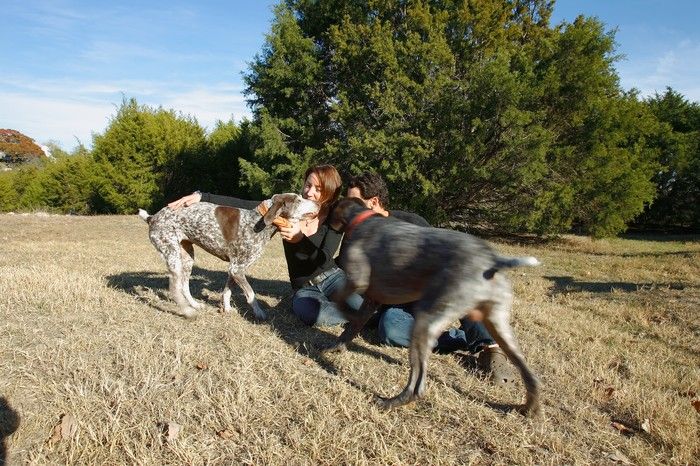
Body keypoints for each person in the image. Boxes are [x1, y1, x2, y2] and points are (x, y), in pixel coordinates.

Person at [346, 172, 516, 384]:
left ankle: (491, 350)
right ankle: (452, 340)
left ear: (373, 202)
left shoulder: (412, 222)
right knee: (389, 328)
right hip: (398, 304)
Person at [168, 164, 362, 327]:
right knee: (315, 315)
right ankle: (357, 318)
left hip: (332, 278)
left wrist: (299, 240)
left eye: (318, 189)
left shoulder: (335, 216)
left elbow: (324, 258)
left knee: (360, 305)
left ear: (329, 192)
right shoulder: (287, 211)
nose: (310, 192)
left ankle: (365, 315)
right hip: (304, 288)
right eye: (308, 185)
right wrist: (203, 196)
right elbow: (244, 205)